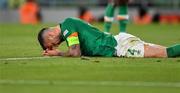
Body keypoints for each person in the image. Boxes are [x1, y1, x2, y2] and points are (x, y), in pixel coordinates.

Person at [37, 17, 180, 58]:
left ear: (50, 35)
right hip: (119, 41)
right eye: (52, 48)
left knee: (167, 53)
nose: (55, 46)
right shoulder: (69, 26)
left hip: (120, 47)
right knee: (166, 51)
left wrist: (58, 54)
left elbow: (75, 53)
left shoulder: (67, 26)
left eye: (51, 45)